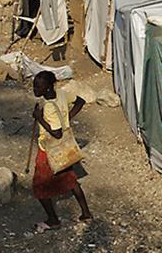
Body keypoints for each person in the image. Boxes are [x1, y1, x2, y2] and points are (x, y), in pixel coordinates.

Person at [31, 71, 92, 232]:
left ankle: (53, 220)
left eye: (38, 86)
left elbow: (56, 133)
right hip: (65, 147)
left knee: (39, 187)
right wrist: (66, 121)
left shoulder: (49, 107)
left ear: (48, 87)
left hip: (49, 149)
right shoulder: (62, 94)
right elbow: (80, 101)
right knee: (70, 179)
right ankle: (86, 213)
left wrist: (39, 118)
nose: (34, 89)